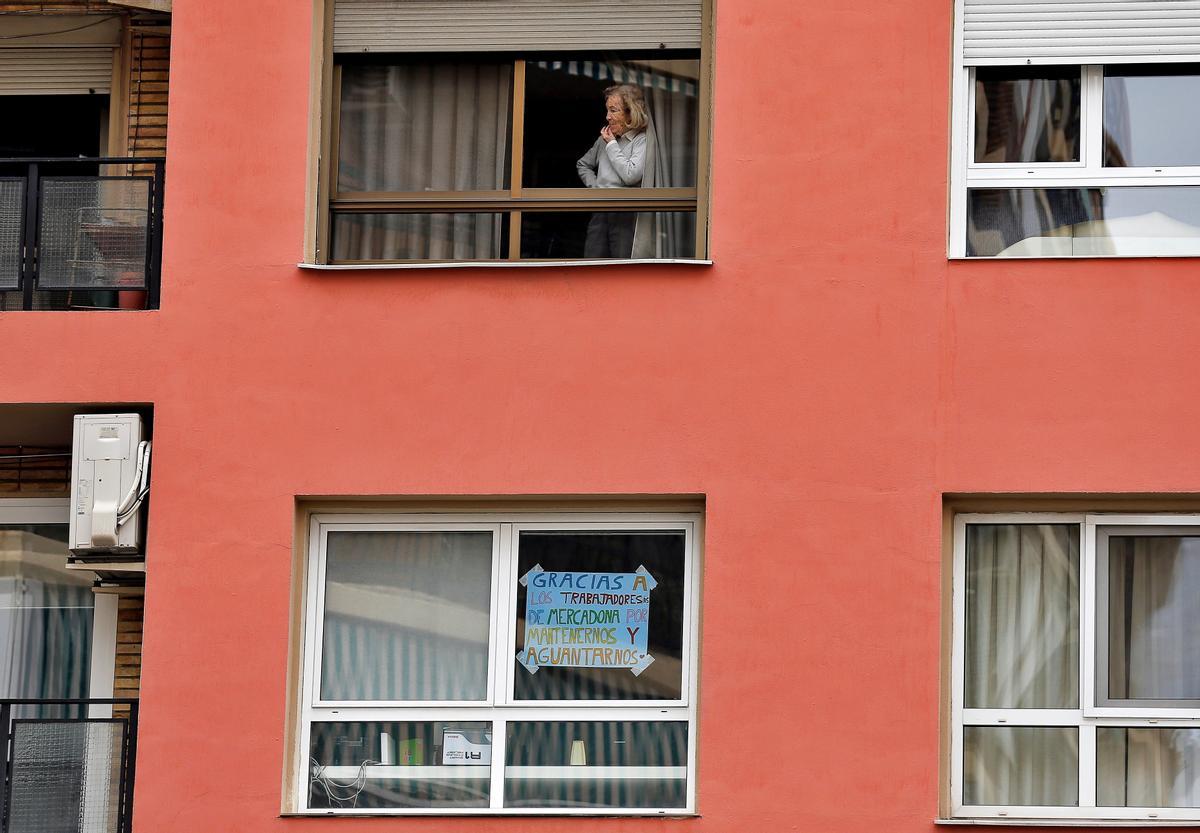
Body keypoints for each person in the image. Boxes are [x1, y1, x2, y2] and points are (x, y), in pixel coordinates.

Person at [576, 84, 648, 258]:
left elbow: (631, 176)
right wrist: (596, 189)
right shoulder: (604, 140)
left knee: (621, 265)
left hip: (625, 212)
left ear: (631, 113)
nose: (607, 117)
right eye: (607, 110)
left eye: (613, 110)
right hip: (600, 210)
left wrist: (612, 145)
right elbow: (583, 164)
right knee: (592, 261)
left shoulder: (641, 140)